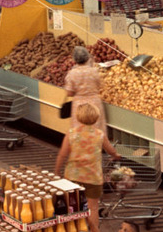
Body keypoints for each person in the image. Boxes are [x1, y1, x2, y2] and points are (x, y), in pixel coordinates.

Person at [55, 104, 120, 232]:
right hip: (93, 178)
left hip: (73, 177)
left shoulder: (71, 133)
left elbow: (62, 154)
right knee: (93, 208)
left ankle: (73, 228)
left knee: (72, 206)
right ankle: (94, 230)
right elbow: (110, 150)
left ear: (78, 117)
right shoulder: (99, 134)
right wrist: (116, 155)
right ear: (96, 118)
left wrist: (57, 171)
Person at [64, 47, 106, 131]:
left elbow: (69, 93)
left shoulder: (72, 73)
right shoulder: (94, 71)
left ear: (74, 60)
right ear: (87, 58)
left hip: (79, 106)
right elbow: (99, 86)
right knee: (96, 130)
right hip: (95, 104)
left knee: (80, 130)